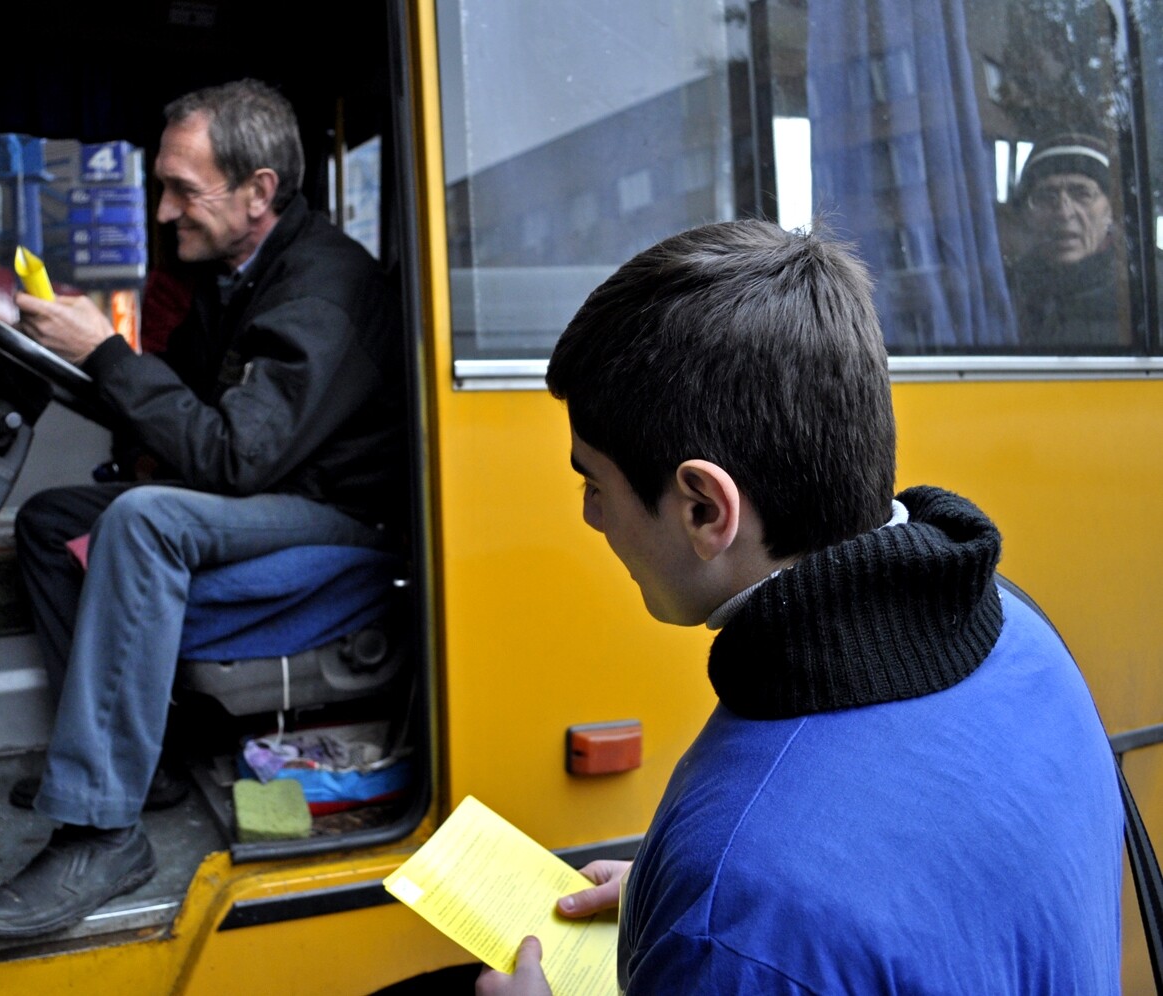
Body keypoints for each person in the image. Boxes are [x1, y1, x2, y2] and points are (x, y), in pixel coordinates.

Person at [478, 220, 1122, 993]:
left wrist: (715, 917)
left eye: (595, 484)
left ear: (705, 510)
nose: (590, 516)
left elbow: (782, 903)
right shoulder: (1023, 631)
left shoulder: (743, 917)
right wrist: (674, 890)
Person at [0, 79, 405, 939]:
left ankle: (101, 827)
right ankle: (145, 765)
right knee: (56, 520)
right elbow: (184, 406)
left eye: (181, 190)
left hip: (334, 511)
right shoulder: (238, 272)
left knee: (141, 520)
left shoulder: (322, 292)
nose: (163, 212)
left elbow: (233, 460)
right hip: (273, 485)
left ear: (259, 191)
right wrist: (77, 362)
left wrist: (109, 352)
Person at [1007, 131, 1130, 349]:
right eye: (1046, 196)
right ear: (1027, 215)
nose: (1064, 213)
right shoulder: (1007, 290)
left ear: (1111, 209)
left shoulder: (1143, 287)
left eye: (1081, 194)